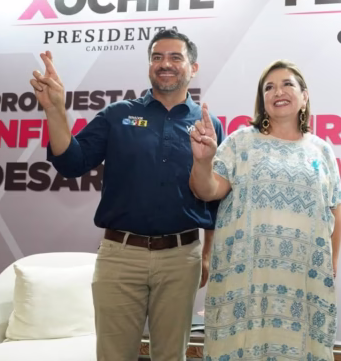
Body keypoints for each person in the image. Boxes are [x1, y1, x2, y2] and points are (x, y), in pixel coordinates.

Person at [29, 29, 224, 361]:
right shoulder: (117, 114)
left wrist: (206, 255)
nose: (165, 64)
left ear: (193, 67)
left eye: (175, 57)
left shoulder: (209, 125)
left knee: (171, 356)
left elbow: (216, 200)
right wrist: (55, 110)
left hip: (181, 259)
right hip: (120, 256)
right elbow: (71, 162)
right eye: (157, 57)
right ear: (149, 66)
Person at [189, 60, 341, 361]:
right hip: (247, 283)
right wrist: (203, 161)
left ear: (304, 96)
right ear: (262, 100)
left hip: (303, 282)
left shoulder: (321, 150)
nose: (278, 92)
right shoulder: (241, 142)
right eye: (269, 87)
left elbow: (335, 207)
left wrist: (331, 262)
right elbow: (207, 190)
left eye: (287, 84)